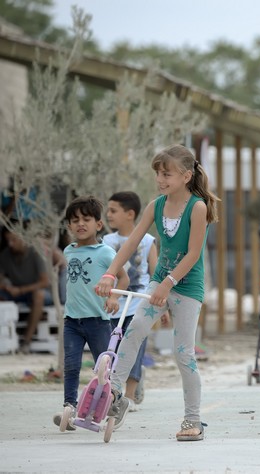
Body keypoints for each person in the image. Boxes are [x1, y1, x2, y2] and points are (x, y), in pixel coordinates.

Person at [95, 144, 220, 441]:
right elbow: (131, 242)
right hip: (160, 281)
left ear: (187, 176)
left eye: (167, 174)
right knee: (135, 327)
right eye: (158, 174)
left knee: (183, 353)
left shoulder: (197, 207)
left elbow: (193, 254)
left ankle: (193, 420)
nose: (161, 179)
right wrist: (110, 271)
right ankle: (114, 393)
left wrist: (169, 283)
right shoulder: (156, 205)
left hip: (186, 287)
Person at [52, 196, 129, 430]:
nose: (80, 224)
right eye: (74, 220)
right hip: (72, 321)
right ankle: (70, 407)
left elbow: (124, 278)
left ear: (98, 224)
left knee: (104, 369)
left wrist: (114, 297)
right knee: (71, 365)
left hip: (98, 322)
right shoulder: (68, 251)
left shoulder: (105, 252)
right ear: (68, 226)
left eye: (86, 219)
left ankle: (117, 402)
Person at [104, 191, 163, 410]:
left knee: (136, 346)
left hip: (140, 302)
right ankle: (112, 391)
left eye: (113, 210)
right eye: (108, 210)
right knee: (112, 348)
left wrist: (161, 306)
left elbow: (155, 272)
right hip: (114, 304)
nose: (108, 214)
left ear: (130, 214)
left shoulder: (148, 241)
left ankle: (128, 395)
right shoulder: (107, 241)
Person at [0, 224, 50, 352]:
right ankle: (7, 336)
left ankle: (26, 342)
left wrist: (21, 290)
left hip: (35, 291)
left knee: (39, 295)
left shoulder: (35, 252)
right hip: (14, 291)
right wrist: (6, 287)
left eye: (14, 240)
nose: (10, 244)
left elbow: (44, 282)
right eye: (8, 240)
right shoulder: (5, 255)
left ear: (23, 238)